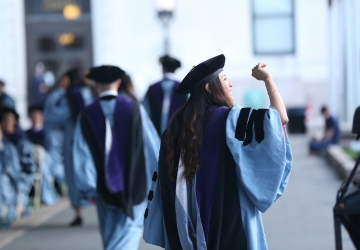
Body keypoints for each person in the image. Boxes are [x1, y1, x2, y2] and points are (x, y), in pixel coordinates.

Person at [143, 55, 292, 250]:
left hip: (185, 226)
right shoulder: (230, 118)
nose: (230, 85)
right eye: (224, 79)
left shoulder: (173, 130)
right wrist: (267, 79)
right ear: (208, 87)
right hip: (228, 221)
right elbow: (279, 119)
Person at [72, 65, 159, 250]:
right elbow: (151, 147)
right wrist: (156, 179)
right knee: (130, 230)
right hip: (136, 184)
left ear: (96, 85)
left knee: (111, 233)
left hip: (103, 188)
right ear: (118, 83)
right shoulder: (135, 108)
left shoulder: (87, 114)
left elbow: (82, 154)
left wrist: (88, 188)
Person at [43, 68, 95, 226]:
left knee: (73, 175)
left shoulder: (69, 96)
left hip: (73, 140)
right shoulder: (88, 94)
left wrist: (58, 91)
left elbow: (50, 115)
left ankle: (78, 211)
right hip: (90, 140)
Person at [0, 108, 37, 216]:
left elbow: (28, 162)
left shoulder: (21, 139)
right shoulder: (3, 140)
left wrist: (12, 169)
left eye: (10, 119)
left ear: (15, 121)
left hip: (19, 173)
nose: (7, 122)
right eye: (4, 120)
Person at [26, 105, 64, 205]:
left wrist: (43, 156)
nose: (35, 118)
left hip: (48, 161)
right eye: (33, 116)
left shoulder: (49, 132)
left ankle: (48, 195)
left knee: (44, 167)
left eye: (37, 116)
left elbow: (54, 151)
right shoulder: (26, 134)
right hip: (31, 161)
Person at [143, 55, 188, 136]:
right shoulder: (184, 87)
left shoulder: (152, 88)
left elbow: (145, 112)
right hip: (178, 132)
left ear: (163, 69)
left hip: (155, 132)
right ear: (175, 70)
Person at [0, 123, 21, 227]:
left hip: (5, 178)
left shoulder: (8, 146)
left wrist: (9, 170)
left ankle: (4, 213)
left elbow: (14, 166)